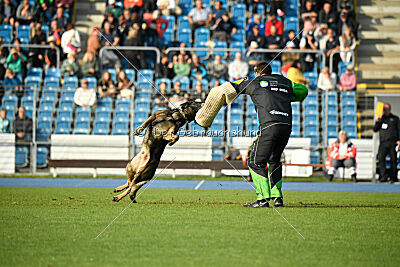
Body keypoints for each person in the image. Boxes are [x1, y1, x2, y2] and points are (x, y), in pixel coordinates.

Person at [195, 61, 308, 207]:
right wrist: (283, 95)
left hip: (269, 125)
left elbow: (228, 88)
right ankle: (277, 197)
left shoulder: (254, 81)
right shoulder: (285, 81)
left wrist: (204, 116)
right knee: (274, 160)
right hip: (286, 126)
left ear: (256, 72)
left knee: (255, 162)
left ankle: (263, 199)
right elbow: (303, 90)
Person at [374, 103, 400, 183]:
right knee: (381, 159)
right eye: (383, 109)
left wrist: (399, 140)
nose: (384, 111)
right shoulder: (381, 119)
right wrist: (377, 122)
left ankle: (393, 177)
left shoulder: (395, 119)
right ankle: (383, 176)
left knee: (393, 160)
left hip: (393, 142)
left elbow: (399, 130)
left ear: (389, 109)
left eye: (386, 109)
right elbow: (375, 129)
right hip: (383, 142)